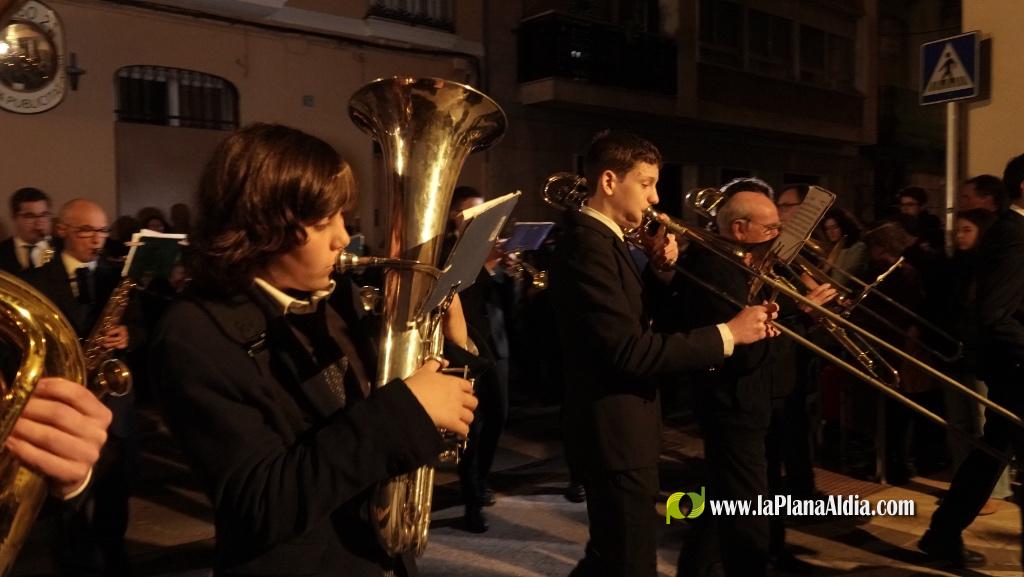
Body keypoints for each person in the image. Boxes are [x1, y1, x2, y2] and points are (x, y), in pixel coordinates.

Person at [150, 123, 478, 577]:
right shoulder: (194, 332)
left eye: (343, 218)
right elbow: (258, 502)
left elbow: (426, 421)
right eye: (324, 222)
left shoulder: (336, 298)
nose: (343, 238)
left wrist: (455, 348)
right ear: (263, 223)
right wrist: (408, 409)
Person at [551, 130, 775, 577]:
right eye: (648, 182)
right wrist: (727, 334)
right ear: (610, 181)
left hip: (621, 428)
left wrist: (657, 272)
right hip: (613, 431)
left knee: (610, 558)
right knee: (630, 563)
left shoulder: (606, 240)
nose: (656, 196)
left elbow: (630, 321)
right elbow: (629, 351)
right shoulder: (586, 244)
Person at [674, 180, 835, 577]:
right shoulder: (714, 265)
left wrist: (796, 311)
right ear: (740, 229)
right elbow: (743, 344)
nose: (778, 237)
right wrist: (802, 316)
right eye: (771, 229)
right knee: (746, 512)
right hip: (734, 401)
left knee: (727, 499)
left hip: (761, 395)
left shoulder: (747, 259)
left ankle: (703, 566)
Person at [18, 198, 141, 576]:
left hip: (113, 407)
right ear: (63, 230)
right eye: (87, 230)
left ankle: (114, 559)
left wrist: (129, 335)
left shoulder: (119, 279)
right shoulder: (35, 283)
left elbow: (145, 326)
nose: (97, 239)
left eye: (102, 230)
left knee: (113, 501)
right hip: (65, 401)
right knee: (68, 510)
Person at [919, 153, 1024, 569]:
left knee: (990, 452)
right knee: (992, 452)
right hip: (1017, 367)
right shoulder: (1016, 233)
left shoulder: (1010, 230)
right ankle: (941, 535)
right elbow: (995, 312)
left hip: (1010, 365)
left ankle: (941, 534)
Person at [443, 185, 512, 533]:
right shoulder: (445, 250)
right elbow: (457, 302)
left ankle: (481, 480)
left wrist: (506, 272)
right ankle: (471, 502)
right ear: (458, 216)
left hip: (496, 346)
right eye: (475, 211)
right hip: (463, 347)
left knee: (498, 417)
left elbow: (503, 304)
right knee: (471, 426)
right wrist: (485, 268)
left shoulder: (489, 248)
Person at [0, 187, 53, 273]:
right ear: (14, 217)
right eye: (30, 216)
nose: (39, 223)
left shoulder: (63, 248)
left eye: (44, 215)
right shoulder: (2, 253)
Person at [896, 186, 945, 251]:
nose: (905, 208)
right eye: (902, 205)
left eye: (910, 204)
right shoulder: (898, 222)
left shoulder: (931, 224)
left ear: (922, 206)